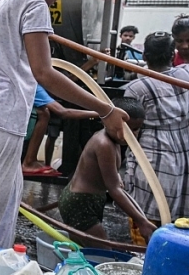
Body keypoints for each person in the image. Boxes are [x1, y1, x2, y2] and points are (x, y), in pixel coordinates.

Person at [0, 0, 128, 273]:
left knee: (9, 194)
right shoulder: (33, 3)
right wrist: (105, 108)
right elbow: (45, 72)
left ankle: (1, 261)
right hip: (1, 112)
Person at [58, 97, 156, 247]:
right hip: (81, 203)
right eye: (123, 128)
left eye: (135, 129)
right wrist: (141, 221)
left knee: (85, 250)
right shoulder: (104, 144)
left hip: (90, 199)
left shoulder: (115, 141)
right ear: (107, 121)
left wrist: (115, 175)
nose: (128, 134)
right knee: (102, 252)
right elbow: (114, 190)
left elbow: (105, 171)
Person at [124, 32, 189, 228]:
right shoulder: (184, 74)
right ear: (172, 55)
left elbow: (128, 130)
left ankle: (144, 255)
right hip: (184, 152)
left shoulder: (137, 88)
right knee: (179, 221)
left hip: (153, 157)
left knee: (148, 215)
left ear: (144, 57)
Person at [22, 85, 98, 176]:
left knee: (44, 114)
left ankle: (30, 160)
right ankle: (29, 161)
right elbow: (63, 112)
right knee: (44, 114)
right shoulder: (32, 85)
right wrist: (102, 113)